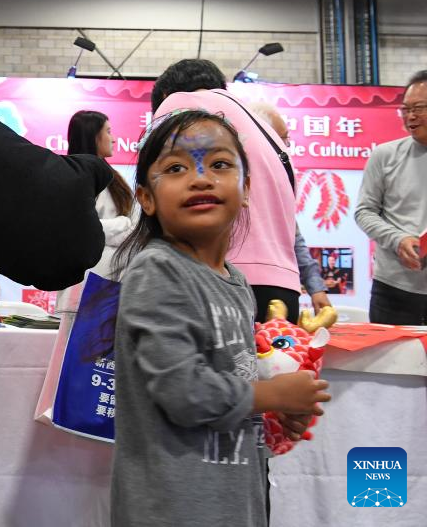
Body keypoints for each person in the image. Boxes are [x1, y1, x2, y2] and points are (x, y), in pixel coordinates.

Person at [109, 110, 330, 527]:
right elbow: (184, 392)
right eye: (176, 168)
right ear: (147, 198)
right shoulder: (157, 270)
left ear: (246, 189)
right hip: (172, 509)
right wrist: (272, 395)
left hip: (233, 502)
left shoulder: (237, 283)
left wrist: (275, 413)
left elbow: (232, 379)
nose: (200, 178)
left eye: (220, 164)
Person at [151, 59, 302, 323]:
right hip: (283, 288)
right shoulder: (267, 130)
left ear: (165, 94)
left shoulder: (180, 103)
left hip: (216, 280)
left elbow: (155, 182)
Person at [355, 69, 427, 324]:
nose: (411, 116)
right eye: (406, 109)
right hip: (393, 290)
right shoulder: (385, 155)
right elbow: (364, 212)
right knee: (389, 352)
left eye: (419, 108)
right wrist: (398, 239)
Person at [249, 101, 331, 314]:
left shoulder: (282, 178)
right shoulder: (235, 177)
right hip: (242, 288)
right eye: (282, 139)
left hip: (281, 288)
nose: (286, 146)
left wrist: (316, 287)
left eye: (287, 139)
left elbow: (293, 237)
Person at [66, 110, 138, 280]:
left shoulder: (114, 179)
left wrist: (123, 227)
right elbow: (78, 229)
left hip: (116, 276)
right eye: (108, 131)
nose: (113, 139)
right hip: (86, 279)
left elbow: (134, 227)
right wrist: (122, 223)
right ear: (93, 136)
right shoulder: (71, 179)